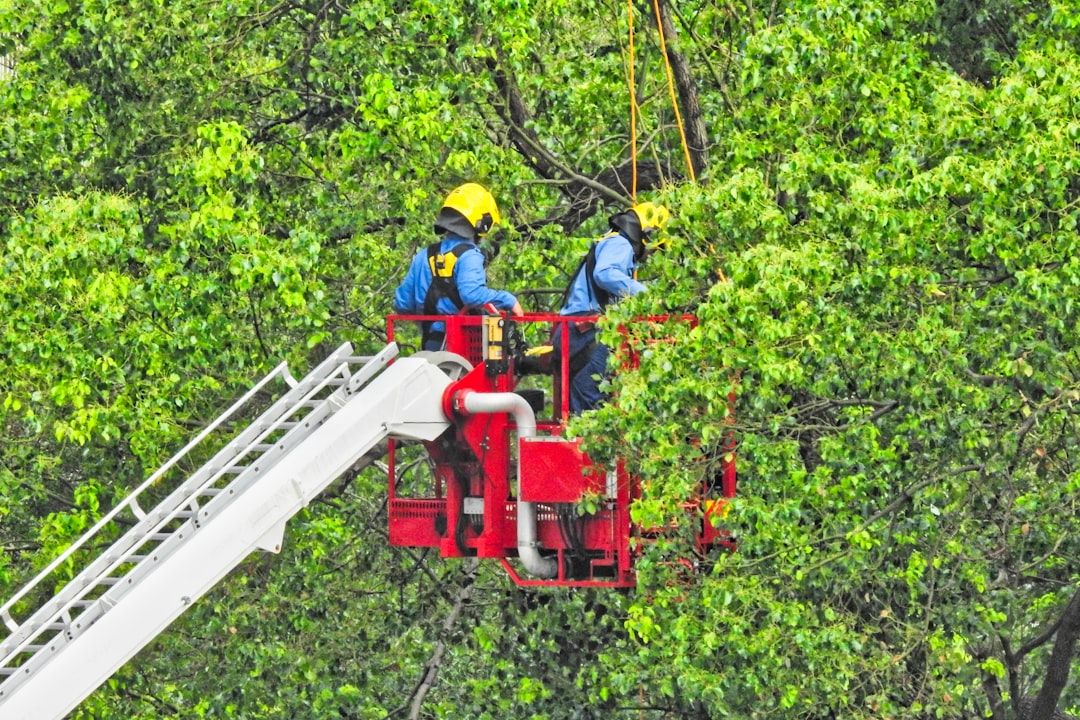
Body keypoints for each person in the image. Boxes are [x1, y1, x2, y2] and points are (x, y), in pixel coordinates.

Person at [556, 201, 670, 413]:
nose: (651, 255)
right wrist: (647, 296)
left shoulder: (613, 242)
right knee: (591, 390)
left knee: (599, 387)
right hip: (582, 330)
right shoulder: (620, 244)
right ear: (647, 236)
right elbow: (605, 274)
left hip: (579, 330)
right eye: (655, 249)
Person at [394, 183, 523, 350]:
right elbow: (472, 295)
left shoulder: (423, 256)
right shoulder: (469, 256)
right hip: (463, 348)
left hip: (430, 344)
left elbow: (403, 303)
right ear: (482, 223)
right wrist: (508, 299)